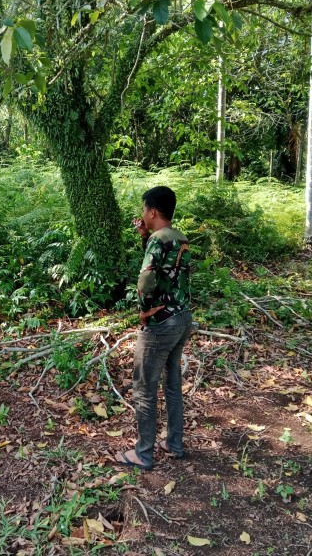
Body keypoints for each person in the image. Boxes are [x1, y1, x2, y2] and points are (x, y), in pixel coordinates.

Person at [116, 186, 193, 470]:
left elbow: (146, 279)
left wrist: (143, 308)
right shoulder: (179, 237)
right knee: (172, 385)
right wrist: (144, 238)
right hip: (183, 318)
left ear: (152, 212)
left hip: (161, 324)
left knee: (144, 389)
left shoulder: (158, 241)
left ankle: (143, 454)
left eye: (143, 210)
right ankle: (174, 443)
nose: (142, 215)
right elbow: (169, 271)